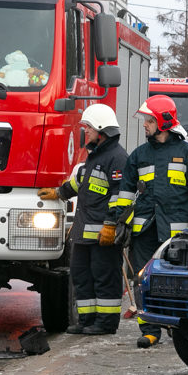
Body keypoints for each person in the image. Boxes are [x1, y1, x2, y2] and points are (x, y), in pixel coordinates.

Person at [114, 95, 188, 348]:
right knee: (142, 278)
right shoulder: (139, 155)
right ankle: (149, 329)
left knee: (177, 281)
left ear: (163, 122)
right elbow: (125, 192)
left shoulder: (187, 154)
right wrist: (120, 222)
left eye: (149, 120)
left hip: (176, 233)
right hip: (144, 230)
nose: (145, 125)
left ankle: (178, 326)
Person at [38, 103, 127, 335]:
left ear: (101, 130)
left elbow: (121, 196)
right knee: (81, 275)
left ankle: (106, 323)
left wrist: (110, 225)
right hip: (83, 234)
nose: (84, 132)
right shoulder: (93, 157)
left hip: (102, 235)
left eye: (87, 128)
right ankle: (87, 320)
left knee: (104, 277)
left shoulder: (117, 158)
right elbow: (81, 184)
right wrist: (59, 193)